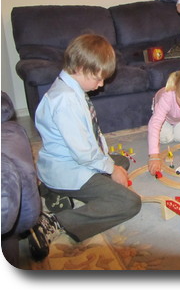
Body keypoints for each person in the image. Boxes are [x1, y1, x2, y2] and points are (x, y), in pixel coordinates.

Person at [29, 34, 141, 261]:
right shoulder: (65, 101)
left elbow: (89, 137)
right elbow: (83, 153)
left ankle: (53, 191)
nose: (100, 85)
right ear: (80, 68)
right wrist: (110, 169)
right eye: (98, 78)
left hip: (68, 162)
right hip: (70, 169)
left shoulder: (71, 90)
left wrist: (110, 164)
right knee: (129, 202)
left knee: (120, 161)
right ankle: (55, 222)